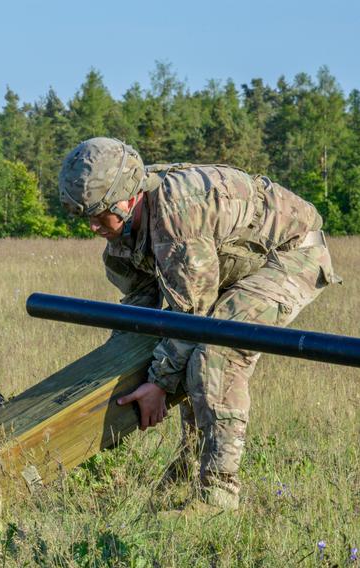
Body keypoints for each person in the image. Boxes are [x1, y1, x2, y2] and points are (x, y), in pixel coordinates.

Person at [58, 137, 338, 512]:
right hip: (229, 264)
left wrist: (158, 384)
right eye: (84, 216)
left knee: (216, 351)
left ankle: (218, 495)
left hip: (289, 254)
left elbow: (192, 318)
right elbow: (141, 321)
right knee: (180, 351)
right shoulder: (123, 239)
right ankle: (189, 467)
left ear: (127, 199)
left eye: (99, 213)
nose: (92, 226)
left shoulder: (178, 216)